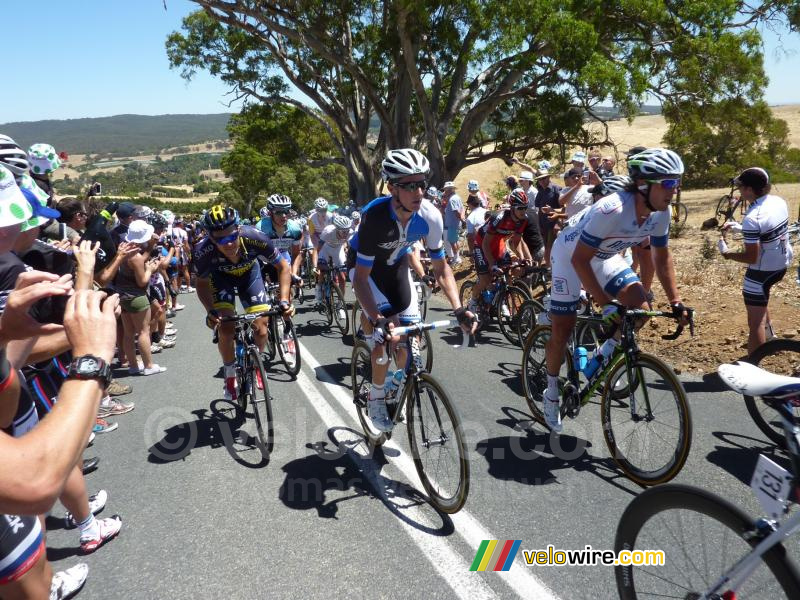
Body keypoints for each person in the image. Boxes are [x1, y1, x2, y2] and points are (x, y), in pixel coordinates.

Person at [542, 148, 690, 433]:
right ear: (644, 184)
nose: (675, 190)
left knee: (640, 309)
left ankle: (603, 354)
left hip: (604, 256)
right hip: (570, 257)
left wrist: (676, 301)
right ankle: (550, 391)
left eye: (677, 183)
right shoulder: (612, 209)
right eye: (669, 183)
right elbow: (579, 260)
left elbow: (660, 257)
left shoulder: (661, 212)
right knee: (563, 328)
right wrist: (605, 303)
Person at [349, 148, 476, 432]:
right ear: (392, 188)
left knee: (409, 342)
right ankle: (376, 397)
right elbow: (360, 279)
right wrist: (378, 319)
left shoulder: (430, 216)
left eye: (422, 183)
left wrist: (459, 308)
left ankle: (395, 385)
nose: (419, 191)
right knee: (387, 336)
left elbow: (442, 268)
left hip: (396, 270)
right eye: (409, 185)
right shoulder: (374, 217)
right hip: (366, 272)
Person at [194, 205, 292, 400]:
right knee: (226, 329)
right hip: (221, 279)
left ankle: (256, 366)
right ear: (211, 238)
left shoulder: (255, 237)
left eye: (232, 236)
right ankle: (230, 373)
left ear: (238, 229)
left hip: (250, 276)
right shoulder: (203, 251)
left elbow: (283, 267)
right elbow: (201, 284)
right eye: (221, 239)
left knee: (261, 329)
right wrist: (211, 311)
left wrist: (284, 300)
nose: (229, 243)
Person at [719, 167, 793, 354]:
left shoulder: (752, 218)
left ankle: (755, 364)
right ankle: (769, 337)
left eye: (741, 187)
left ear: (749, 190)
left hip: (761, 272)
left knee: (755, 322)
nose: (739, 190)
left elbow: (751, 257)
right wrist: (739, 227)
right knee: (761, 299)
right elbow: (767, 229)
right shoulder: (777, 202)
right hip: (781, 263)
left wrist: (727, 253)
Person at [467, 188, 536, 315]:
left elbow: (517, 241)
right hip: (482, 244)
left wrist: (523, 258)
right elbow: (486, 243)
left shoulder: (523, 219)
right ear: (512, 207)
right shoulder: (499, 218)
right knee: (486, 279)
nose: (523, 211)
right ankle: (473, 300)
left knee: (509, 273)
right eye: (520, 208)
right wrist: (492, 264)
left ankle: (502, 300)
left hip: (498, 244)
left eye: (525, 207)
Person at [114, 220, 168, 376]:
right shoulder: (136, 256)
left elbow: (137, 263)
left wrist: (149, 248)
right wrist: (150, 269)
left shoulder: (125, 249)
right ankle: (149, 366)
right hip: (137, 297)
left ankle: (133, 365)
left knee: (128, 333)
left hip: (123, 296)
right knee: (144, 332)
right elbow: (142, 281)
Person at [257, 194, 303, 283]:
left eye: (286, 211)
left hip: (283, 255)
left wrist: (294, 273)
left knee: (289, 282)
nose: (283, 215)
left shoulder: (295, 229)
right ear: (270, 213)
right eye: (278, 212)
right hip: (263, 259)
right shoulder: (261, 228)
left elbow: (296, 253)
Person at [317, 215, 352, 320]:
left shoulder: (350, 233)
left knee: (343, 277)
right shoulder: (328, 231)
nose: (345, 233)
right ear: (336, 229)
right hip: (325, 249)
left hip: (338, 249)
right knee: (322, 270)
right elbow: (318, 248)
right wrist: (317, 263)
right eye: (343, 231)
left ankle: (340, 305)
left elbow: (352, 248)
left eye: (347, 231)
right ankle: (319, 290)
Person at [533, 168, 562, 265]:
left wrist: (558, 223)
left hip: (553, 224)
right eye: (540, 179)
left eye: (544, 178)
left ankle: (549, 266)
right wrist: (539, 224)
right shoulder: (541, 191)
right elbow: (538, 208)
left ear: (549, 177)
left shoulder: (556, 189)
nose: (542, 181)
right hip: (543, 224)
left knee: (550, 247)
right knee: (546, 246)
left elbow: (564, 207)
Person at [309, 198, 333, 303]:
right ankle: (318, 286)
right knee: (316, 249)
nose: (323, 212)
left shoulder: (331, 216)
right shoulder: (311, 218)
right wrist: (318, 246)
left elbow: (335, 231)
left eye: (325, 210)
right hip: (317, 236)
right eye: (320, 210)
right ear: (316, 210)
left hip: (329, 236)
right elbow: (312, 235)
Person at [441, 182, 465, 265]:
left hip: (452, 224)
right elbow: (462, 208)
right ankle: (457, 257)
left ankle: (456, 258)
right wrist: (462, 219)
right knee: (455, 240)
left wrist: (461, 219)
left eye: (445, 190)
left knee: (452, 241)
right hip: (455, 223)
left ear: (449, 190)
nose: (444, 191)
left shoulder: (452, 199)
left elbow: (456, 212)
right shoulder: (457, 197)